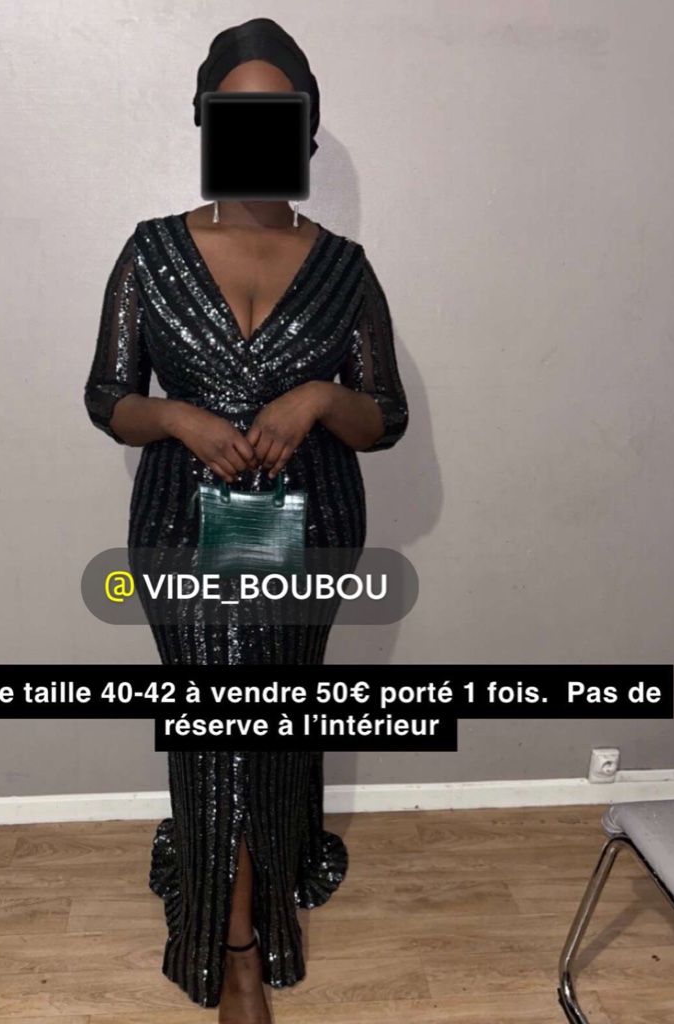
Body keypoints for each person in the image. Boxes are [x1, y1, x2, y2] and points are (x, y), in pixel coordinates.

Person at [84, 17, 409, 1020]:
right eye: (238, 113)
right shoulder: (152, 252)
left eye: (278, 114)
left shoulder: (345, 267)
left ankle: (272, 859)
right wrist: (179, 417)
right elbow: (108, 397)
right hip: (186, 524)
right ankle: (234, 949)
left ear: (304, 128)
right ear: (206, 123)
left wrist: (317, 396)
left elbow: (384, 418)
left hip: (307, 529)